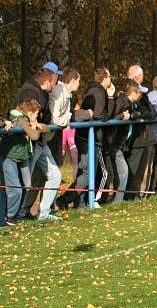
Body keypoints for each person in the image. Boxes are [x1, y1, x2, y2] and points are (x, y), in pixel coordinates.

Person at [58, 68, 112, 209]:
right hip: (89, 137)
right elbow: (99, 114)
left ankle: (79, 202)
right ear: (105, 78)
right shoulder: (98, 92)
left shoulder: (91, 90)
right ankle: (66, 199)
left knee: (84, 171)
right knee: (89, 173)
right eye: (109, 76)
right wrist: (109, 114)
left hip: (85, 136)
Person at [14, 67, 62, 220]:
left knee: (55, 176)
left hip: (40, 142)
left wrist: (43, 126)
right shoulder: (29, 92)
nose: (54, 87)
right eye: (53, 83)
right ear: (47, 81)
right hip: (28, 144)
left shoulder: (41, 94)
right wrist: (38, 126)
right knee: (25, 181)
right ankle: (16, 215)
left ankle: (44, 212)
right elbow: (25, 119)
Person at [1, 99, 47, 225]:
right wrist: (34, 127)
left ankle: (20, 214)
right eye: (37, 114)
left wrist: (39, 126)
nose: (37, 117)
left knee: (27, 186)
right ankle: (10, 217)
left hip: (23, 156)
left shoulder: (24, 119)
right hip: (10, 156)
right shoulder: (21, 120)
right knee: (15, 189)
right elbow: (34, 136)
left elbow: (46, 129)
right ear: (31, 113)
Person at [122, 65, 157, 200]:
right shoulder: (126, 94)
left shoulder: (143, 96)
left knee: (141, 171)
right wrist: (140, 114)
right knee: (132, 169)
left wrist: (143, 113)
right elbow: (131, 113)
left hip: (146, 138)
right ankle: (128, 196)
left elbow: (152, 113)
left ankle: (136, 196)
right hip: (134, 140)